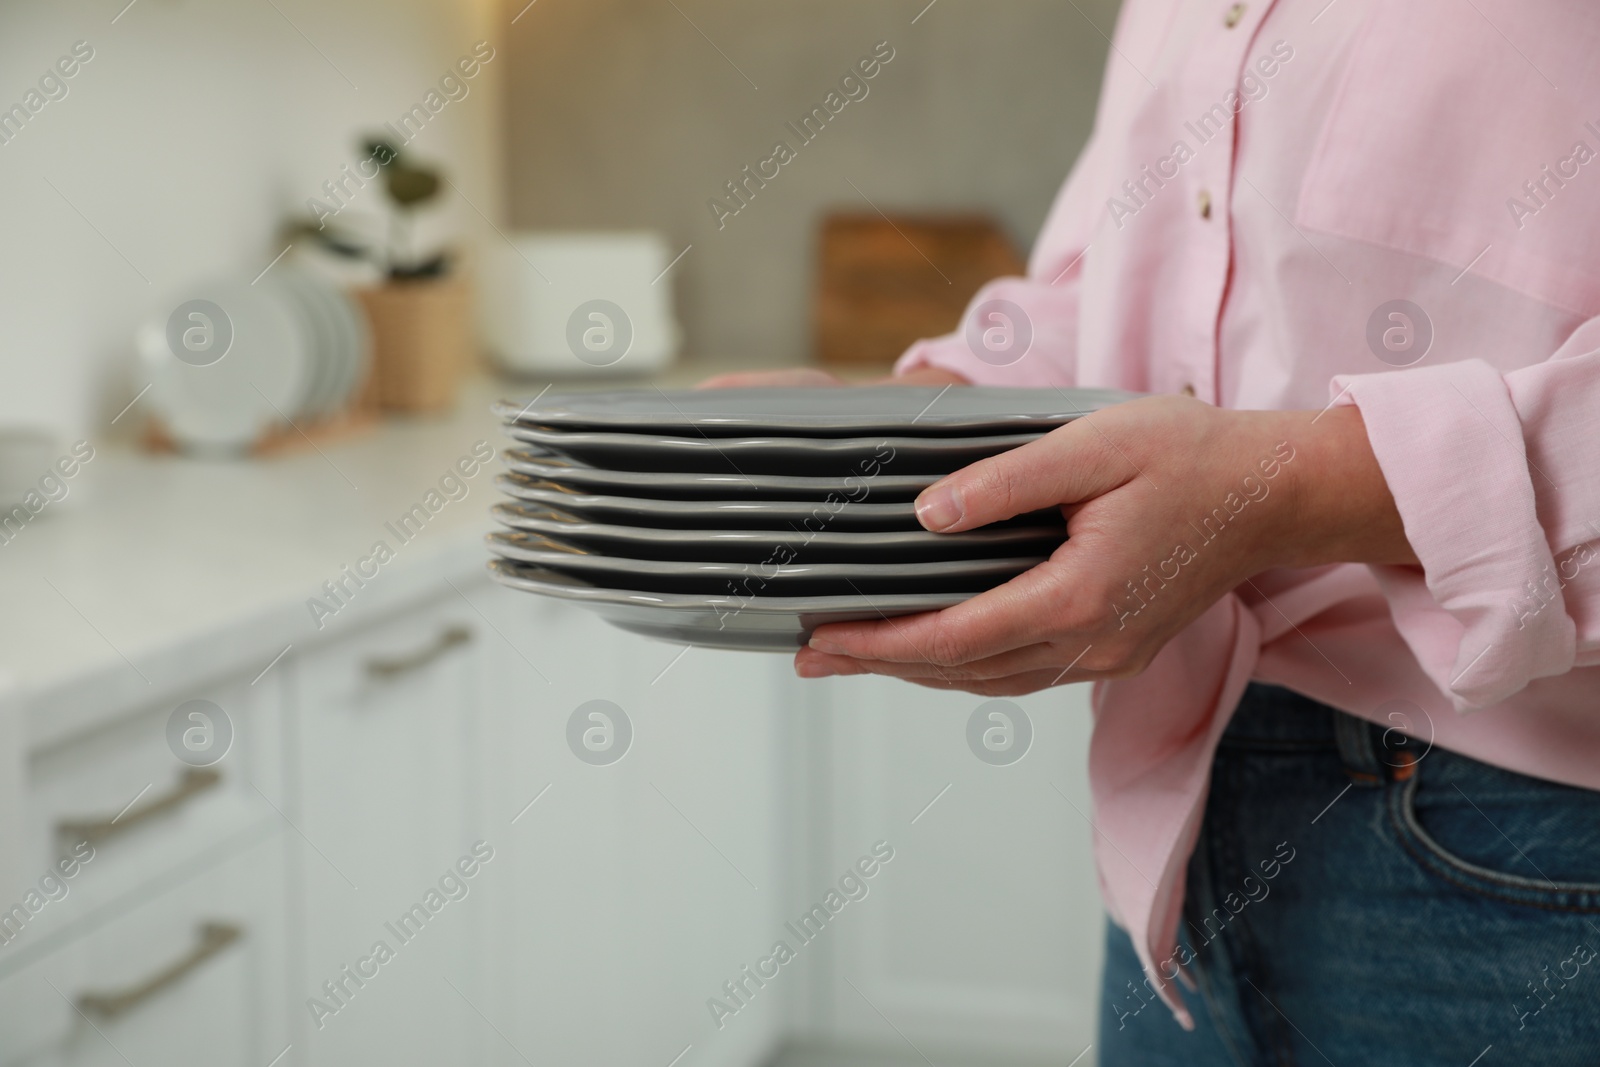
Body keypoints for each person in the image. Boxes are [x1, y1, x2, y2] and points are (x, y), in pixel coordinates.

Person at [704, 0, 1600, 1062]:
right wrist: (906, 434)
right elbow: (1113, 293)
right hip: (1179, 806)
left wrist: (1282, 492)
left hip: (1529, 832)